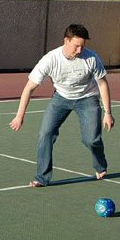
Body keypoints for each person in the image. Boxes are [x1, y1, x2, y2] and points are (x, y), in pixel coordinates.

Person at [9, 24, 114, 187]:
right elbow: (29, 88)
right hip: (61, 98)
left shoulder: (91, 58)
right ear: (66, 40)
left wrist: (108, 112)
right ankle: (42, 178)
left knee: (91, 139)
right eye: (76, 46)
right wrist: (19, 116)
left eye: (82, 46)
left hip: (88, 98)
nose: (79, 50)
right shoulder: (50, 59)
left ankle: (100, 164)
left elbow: (102, 84)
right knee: (45, 134)